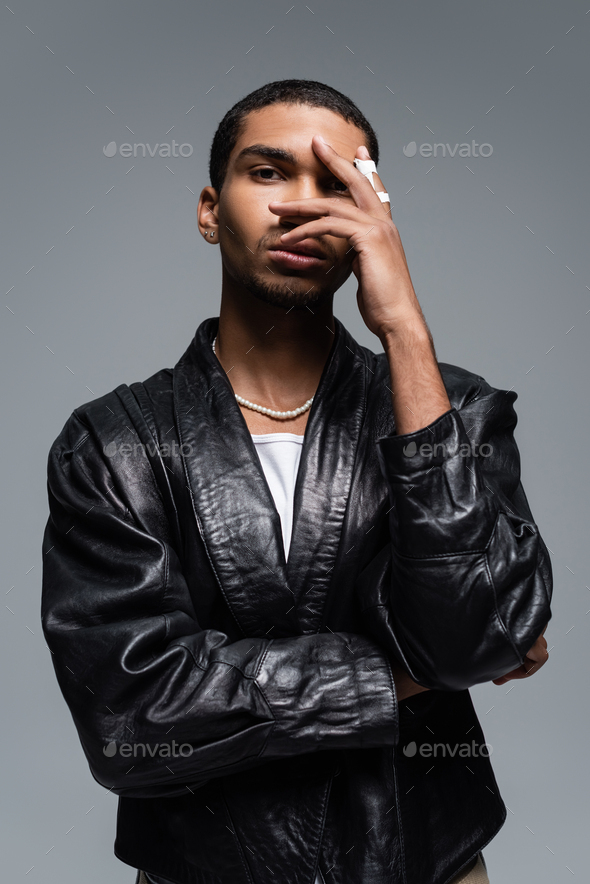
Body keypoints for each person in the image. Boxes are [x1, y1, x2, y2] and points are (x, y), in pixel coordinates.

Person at [41, 80, 552, 884]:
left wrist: (404, 330)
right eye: (269, 172)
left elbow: (470, 635)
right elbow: (133, 719)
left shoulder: (454, 410)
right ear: (211, 210)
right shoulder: (113, 443)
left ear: (373, 219)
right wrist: (397, 677)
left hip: (430, 865)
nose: (303, 207)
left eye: (338, 183)